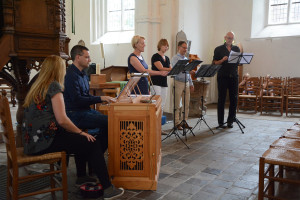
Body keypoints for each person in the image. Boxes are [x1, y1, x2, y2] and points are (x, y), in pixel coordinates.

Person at [22, 55, 124, 199]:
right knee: (91, 142)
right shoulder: (54, 86)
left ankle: (82, 177)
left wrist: (78, 133)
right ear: (58, 69)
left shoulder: (37, 86)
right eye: (63, 67)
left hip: (31, 142)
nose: (65, 71)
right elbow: (62, 120)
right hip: (45, 141)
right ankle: (108, 189)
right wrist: (81, 133)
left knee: (80, 141)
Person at [63, 45, 114, 184]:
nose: (89, 59)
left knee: (110, 123)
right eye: (87, 57)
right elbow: (77, 100)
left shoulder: (83, 73)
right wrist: (100, 98)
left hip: (84, 111)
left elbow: (85, 96)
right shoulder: (70, 75)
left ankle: (92, 154)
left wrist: (100, 100)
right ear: (77, 57)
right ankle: (93, 155)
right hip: (74, 114)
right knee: (111, 123)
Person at [213, 31, 240, 128]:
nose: (230, 40)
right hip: (222, 77)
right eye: (228, 38)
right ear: (225, 38)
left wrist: (239, 61)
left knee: (234, 99)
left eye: (232, 38)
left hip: (234, 76)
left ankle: (230, 121)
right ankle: (221, 122)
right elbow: (214, 63)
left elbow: (238, 62)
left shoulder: (236, 48)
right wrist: (222, 60)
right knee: (222, 99)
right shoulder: (218, 49)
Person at [171, 41, 194, 130]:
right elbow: (177, 70)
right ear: (178, 47)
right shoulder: (175, 58)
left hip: (186, 83)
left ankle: (184, 121)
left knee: (186, 104)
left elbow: (187, 73)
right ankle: (176, 123)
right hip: (178, 82)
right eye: (184, 47)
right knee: (177, 104)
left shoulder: (186, 59)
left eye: (186, 48)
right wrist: (188, 69)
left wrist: (191, 83)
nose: (185, 49)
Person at [150, 39, 172, 113]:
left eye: (167, 46)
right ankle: (154, 122)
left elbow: (170, 69)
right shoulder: (155, 56)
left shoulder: (167, 58)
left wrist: (173, 70)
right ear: (160, 46)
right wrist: (172, 69)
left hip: (164, 82)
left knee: (162, 103)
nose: (166, 48)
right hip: (156, 82)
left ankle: (159, 123)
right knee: (156, 103)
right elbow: (161, 68)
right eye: (164, 46)